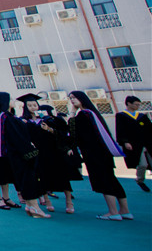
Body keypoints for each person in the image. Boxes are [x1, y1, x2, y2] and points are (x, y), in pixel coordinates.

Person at [69, 91, 132, 220]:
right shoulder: (94, 113)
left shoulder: (83, 115)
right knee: (111, 179)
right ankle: (125, 210)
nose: (72, 100)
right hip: (104, 152)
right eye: (70, 98)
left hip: (93, 153)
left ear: (82, 98)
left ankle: (113, 212)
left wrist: (71, 114)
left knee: (103, 180)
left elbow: (73, 133)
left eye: (74, 98)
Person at [0, 93, 47, 219]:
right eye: (11, 99)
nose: (13, 101)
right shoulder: (8, 118)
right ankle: (35, 207)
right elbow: (18, 138)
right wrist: (31, 152)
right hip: (21, 155)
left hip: (14, 155)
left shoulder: (3, 117)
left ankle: (29, 206)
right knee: (28, 180)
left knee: (24, 180)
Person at [35, 104, 80, 213]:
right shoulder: (34, 122)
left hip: (57, 152)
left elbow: (65, 135)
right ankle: (47, 201)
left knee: (63, 177)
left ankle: (69, 202)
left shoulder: (58, 120)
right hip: (42, 153)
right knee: (44, 178)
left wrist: (50, 129)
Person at [116, 96, 152, 193]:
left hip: (147, 143)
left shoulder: (142, 116)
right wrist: (125, 142)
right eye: (136, 104)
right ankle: (140, 180)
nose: (138, 106)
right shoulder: (121, 116)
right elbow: (120, 130)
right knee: (143, 164)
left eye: (139, 105)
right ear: (128, 103)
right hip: (134, 145)